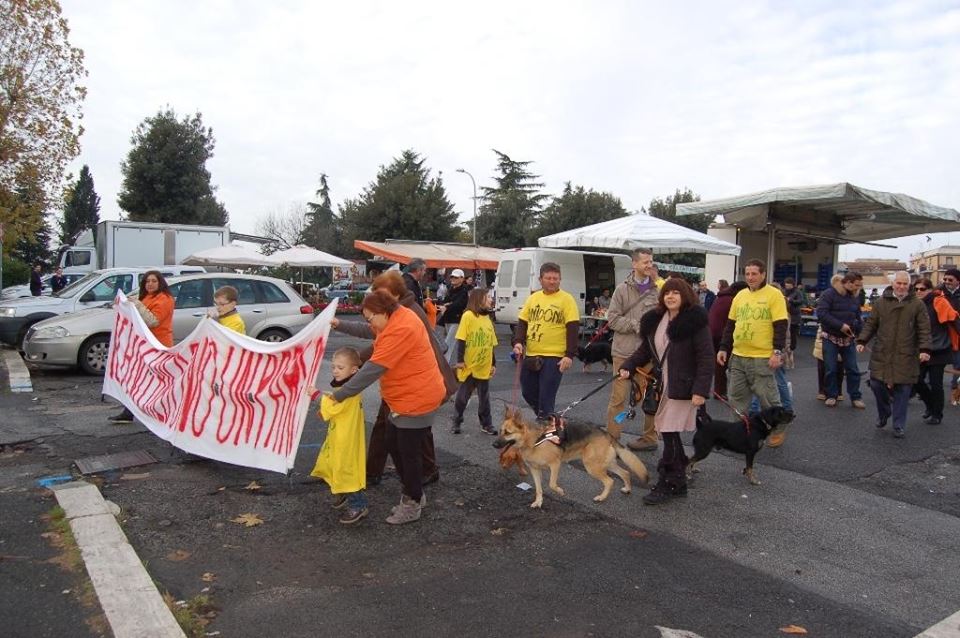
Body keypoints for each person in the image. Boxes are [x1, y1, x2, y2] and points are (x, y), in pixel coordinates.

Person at [331, 290, 448, 524]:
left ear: (383, 312)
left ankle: (412, 502)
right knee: (394, 444)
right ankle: (414, 494)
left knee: (408, 454)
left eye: (369, 317)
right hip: (405, 397)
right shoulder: (393, 317)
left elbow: (373, 368)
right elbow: (369, 330)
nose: (368, 322)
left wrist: (340, 394)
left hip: (416, 399)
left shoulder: (401, 328)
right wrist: (339, 324)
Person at [619, 278, 713, 505]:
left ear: (685, 296)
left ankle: (669, 481)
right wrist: (628, 366)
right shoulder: (655, 320)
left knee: (669, 430)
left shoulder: (695, 322)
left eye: (676, 293)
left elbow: (706, 358)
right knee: (668, 431)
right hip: (662, 385)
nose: (670, 296)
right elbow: (645, 350)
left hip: (684, 388)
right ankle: (678, 480)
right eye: (667, 292)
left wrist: (701, 390)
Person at [716, 259, 788, 445]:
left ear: (763, 274)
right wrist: (724, 348)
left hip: (762, 358)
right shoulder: (740, 296)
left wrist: (777, 352)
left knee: (768, 399)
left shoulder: (774, 295)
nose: (750, 277)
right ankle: (738, 433)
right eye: (747, 274)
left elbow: (780, 325)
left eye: (754, 274)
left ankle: (778, 430)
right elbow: (730, 325)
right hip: (738, 356)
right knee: (737, 398)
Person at [856, 271, 931, 438]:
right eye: (899, 283)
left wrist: (925, 349)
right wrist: (862, 341)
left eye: (905, 284)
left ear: (909, 285)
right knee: (876, 384)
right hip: (883, 351)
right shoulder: (881, 302)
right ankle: (884, 413)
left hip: (906, 354)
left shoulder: (918, 305)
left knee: (903, 391)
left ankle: (898, 425)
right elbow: (871, 324)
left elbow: (924, 329)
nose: (902, 286)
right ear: (893, 283)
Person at [605, 248, 664, 451]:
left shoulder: (658, 290)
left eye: (651, 262)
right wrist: (637, 325)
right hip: (623, 353)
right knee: (619, 399)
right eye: (645, 262)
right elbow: (612, 319)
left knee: (649, 398)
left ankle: (650, 438)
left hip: (649, 354)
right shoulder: (621, 289)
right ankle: (612, 440)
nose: (649, 265)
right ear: (634, 264)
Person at [307, 347, 368, 525]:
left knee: (346, 469)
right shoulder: (347, 387)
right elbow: (334, 400)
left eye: (340, 368)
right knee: (335, 464)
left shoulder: (350, 391)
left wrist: (317, 395)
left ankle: (359, 504)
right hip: (341, 435)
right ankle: (342, 492)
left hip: (346, 439)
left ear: (353, 370)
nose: (335, 370)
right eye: (334, 367)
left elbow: (334, 405)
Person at [512, 262, 580, 420]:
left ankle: (545, 421)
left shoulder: (567, 299)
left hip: (554, 356)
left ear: (560, 279)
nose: (552, 281)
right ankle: (547, 417)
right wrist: (518, 342)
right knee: (528, 392)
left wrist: (569, 355)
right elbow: (522, 322)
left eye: (555, 278)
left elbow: (573, 328)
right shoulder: (533, 298)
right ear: (540, 279)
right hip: (532, 353)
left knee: (546, 394)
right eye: (548, 278)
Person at [108, 270, 175, 423]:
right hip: (144, 346)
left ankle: (165, 413)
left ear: (160, 283)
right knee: (138, 380)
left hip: (158, 346)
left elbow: (153, 321)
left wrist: (136, 305)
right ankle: (129, 412)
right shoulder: (146, 297)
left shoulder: (165, 299)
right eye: (147, 281)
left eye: (153, 281)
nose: (150, 284)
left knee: (156, 382)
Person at [451, 288, 498, 435]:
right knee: (463, 397)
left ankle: (486, 424)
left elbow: (491, 344)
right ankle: (457, 420)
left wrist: (493, 364)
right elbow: (461, 339)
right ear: (479, 299)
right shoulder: (468, 316)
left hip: (484, 366)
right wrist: (459, 361)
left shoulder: (488, 319)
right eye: (488, 297)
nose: (491, 299)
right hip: (469, 366)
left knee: (484, 398)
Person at [816, 272, 865, 409]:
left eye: (860, 286)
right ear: (848, 282)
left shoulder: (855, 297)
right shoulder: (828, 294)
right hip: (830, 337)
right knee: (830, 368)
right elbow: (821, 313)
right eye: (856, 285)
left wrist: (858, 330)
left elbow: (858, 316)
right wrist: (840, 325)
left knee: (853, 369)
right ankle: (831, 395)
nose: (858, 289)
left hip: (848, 339)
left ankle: (856, 396)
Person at [912, 278, 956, 425]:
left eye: (922, 289)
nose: (918, 291)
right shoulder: (914, 304)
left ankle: (937, 414)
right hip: (921, 350)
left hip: (939, 349)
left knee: (936, 383)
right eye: (916, 289)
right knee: (916, 381)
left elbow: (953, 320)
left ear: (929, 290)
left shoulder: (939, 302)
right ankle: (931, 406)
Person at [708, 281, 747, 399]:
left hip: (711, 332)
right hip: (723, 334)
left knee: (718, 363)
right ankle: (721, 392)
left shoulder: (720, 297)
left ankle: (719, 391)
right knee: (725, 363)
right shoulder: (734, 300)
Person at [438, 268, 471, 365]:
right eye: (452, 277)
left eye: (456, 277)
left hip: (457, 319)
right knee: (447, 342)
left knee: (448, 343)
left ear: (462, 279)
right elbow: (446, 301)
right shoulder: (450, 288)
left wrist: (447, 305)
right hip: (448, 318)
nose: (453, 279)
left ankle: (444, 366)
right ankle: (445, 365)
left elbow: (460, 304)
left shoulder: (465, 290)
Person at [939, 269, 960, 391]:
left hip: (957, 334)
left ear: (958, 281)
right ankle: (929, 388)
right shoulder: (938, 293)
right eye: (945, 279)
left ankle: (955, 389)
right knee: (933, 364)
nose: (947, 282)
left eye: (950, 280)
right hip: (941, 332)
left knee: (957, 364)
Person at [782, 277, 805, 358]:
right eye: (786, 286)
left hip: (795, 316)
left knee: (793, 333)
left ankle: (792, 349)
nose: (787, 287)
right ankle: (786, 348)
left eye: (789, 286)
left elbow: (801, 301)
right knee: (786, 333)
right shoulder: (784, 291)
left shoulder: (797, 292)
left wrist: (791, 300)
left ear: (793, 285)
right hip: (786, 315)